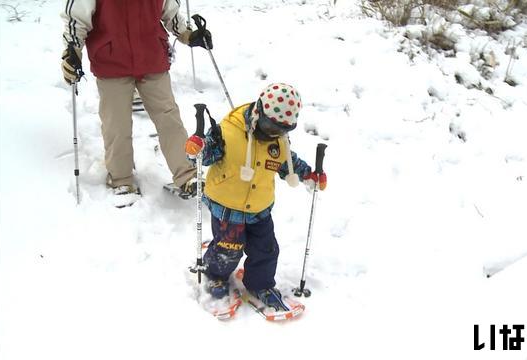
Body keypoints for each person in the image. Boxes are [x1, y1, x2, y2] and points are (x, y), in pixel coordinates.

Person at [184, 83, 328, 310]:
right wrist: (198, 149)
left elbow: (288, 164)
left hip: (260, 209)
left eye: (281, 130)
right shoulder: (228, 132)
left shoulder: (278, 141)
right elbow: (207, 154)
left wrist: (309, 174)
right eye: (270, 126)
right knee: (228, 249)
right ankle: (216, 274)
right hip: (227, 207)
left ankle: (260, 284)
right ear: (259, 112)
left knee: (267, 249)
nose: (274, 133)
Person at [60, 0, 214, 203]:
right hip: (111, 61)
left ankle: (187, 174)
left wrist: (187, 34)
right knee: (116, 124)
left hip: (152, 56)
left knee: (169, 117)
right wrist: (72, 50)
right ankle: (121, 179)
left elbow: (169, 10)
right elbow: (78, 16)